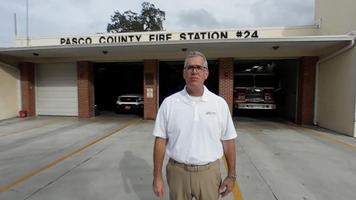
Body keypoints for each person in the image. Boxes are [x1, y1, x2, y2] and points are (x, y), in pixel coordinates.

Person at [152, 51, 237, 200]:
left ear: (206, 73)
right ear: (184, 73)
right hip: (177, 173)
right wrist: (157, 176)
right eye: (190, 67)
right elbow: (160, 141)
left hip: (209, 174)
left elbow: (228, 141)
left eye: (199, 67)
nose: (194, 71)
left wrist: (231, 175)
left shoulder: (219, 104)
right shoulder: (169, 103)